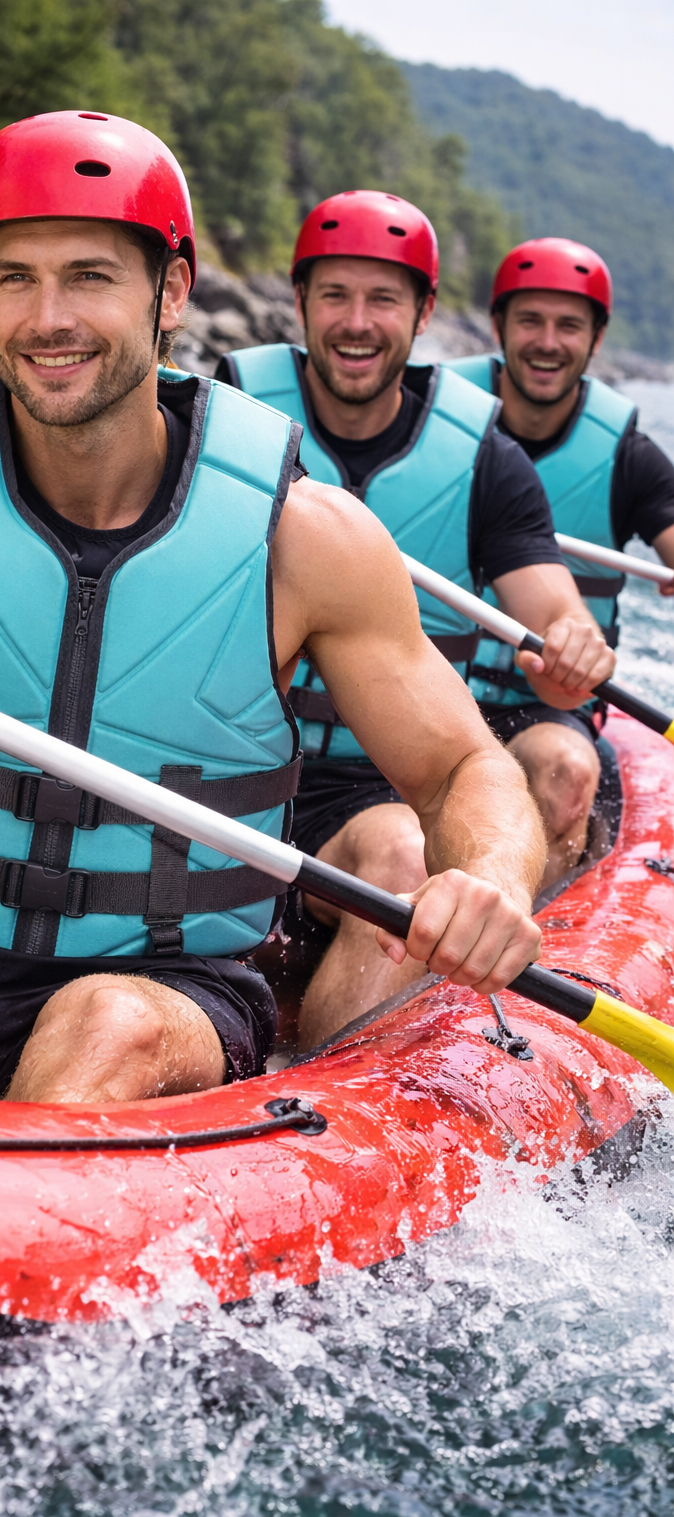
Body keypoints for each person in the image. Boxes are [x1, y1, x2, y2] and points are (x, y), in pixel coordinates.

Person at [0, 120, 546, 1098]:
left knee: (104, 1030)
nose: (47, 319)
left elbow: (464, 769)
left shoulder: (306, 539)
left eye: (88, 277)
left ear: (171, 290)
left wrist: (490, 881)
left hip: (158, 982)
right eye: (15, 279)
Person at [218, 192, 614, 1044]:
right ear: (300, 302)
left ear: (425, 313)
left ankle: (348, 1074)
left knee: (409, 849)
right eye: (334, 295)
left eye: (384, 299)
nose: (357, 322)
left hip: (373, 780)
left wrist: (572, 640)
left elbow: (550, 608)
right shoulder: (221, 418)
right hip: (225, 764)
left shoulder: (487, 460)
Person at [445, 238, 674, 840]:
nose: (548, 341)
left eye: (569, 325)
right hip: (425, 689)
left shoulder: (629, 458)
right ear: (498, 325)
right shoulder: (426, 421)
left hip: (542, 707)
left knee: (566, 768)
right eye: (530, 321)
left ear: (597, 338)